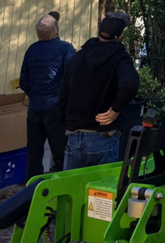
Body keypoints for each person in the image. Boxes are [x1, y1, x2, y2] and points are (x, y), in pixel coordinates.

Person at [58, 12, 139, 170]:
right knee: (101, 192)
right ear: (120, 36)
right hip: (103, 137)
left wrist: (67, 123)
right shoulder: (120, 58)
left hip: (74, 136)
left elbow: (63, 95)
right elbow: (130, 84)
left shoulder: (77, 57)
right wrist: (115, 109)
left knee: (71, 191)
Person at [20, 12, 76, 182]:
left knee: (34, 157)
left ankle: (29, 197)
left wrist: (36, 94)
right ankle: (60, 194)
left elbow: (24, 81)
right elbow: (71, 78)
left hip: (34, 110)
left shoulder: (31, 49)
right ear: (56, 29)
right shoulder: (65, 48)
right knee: (60, 156)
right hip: (55, 109)